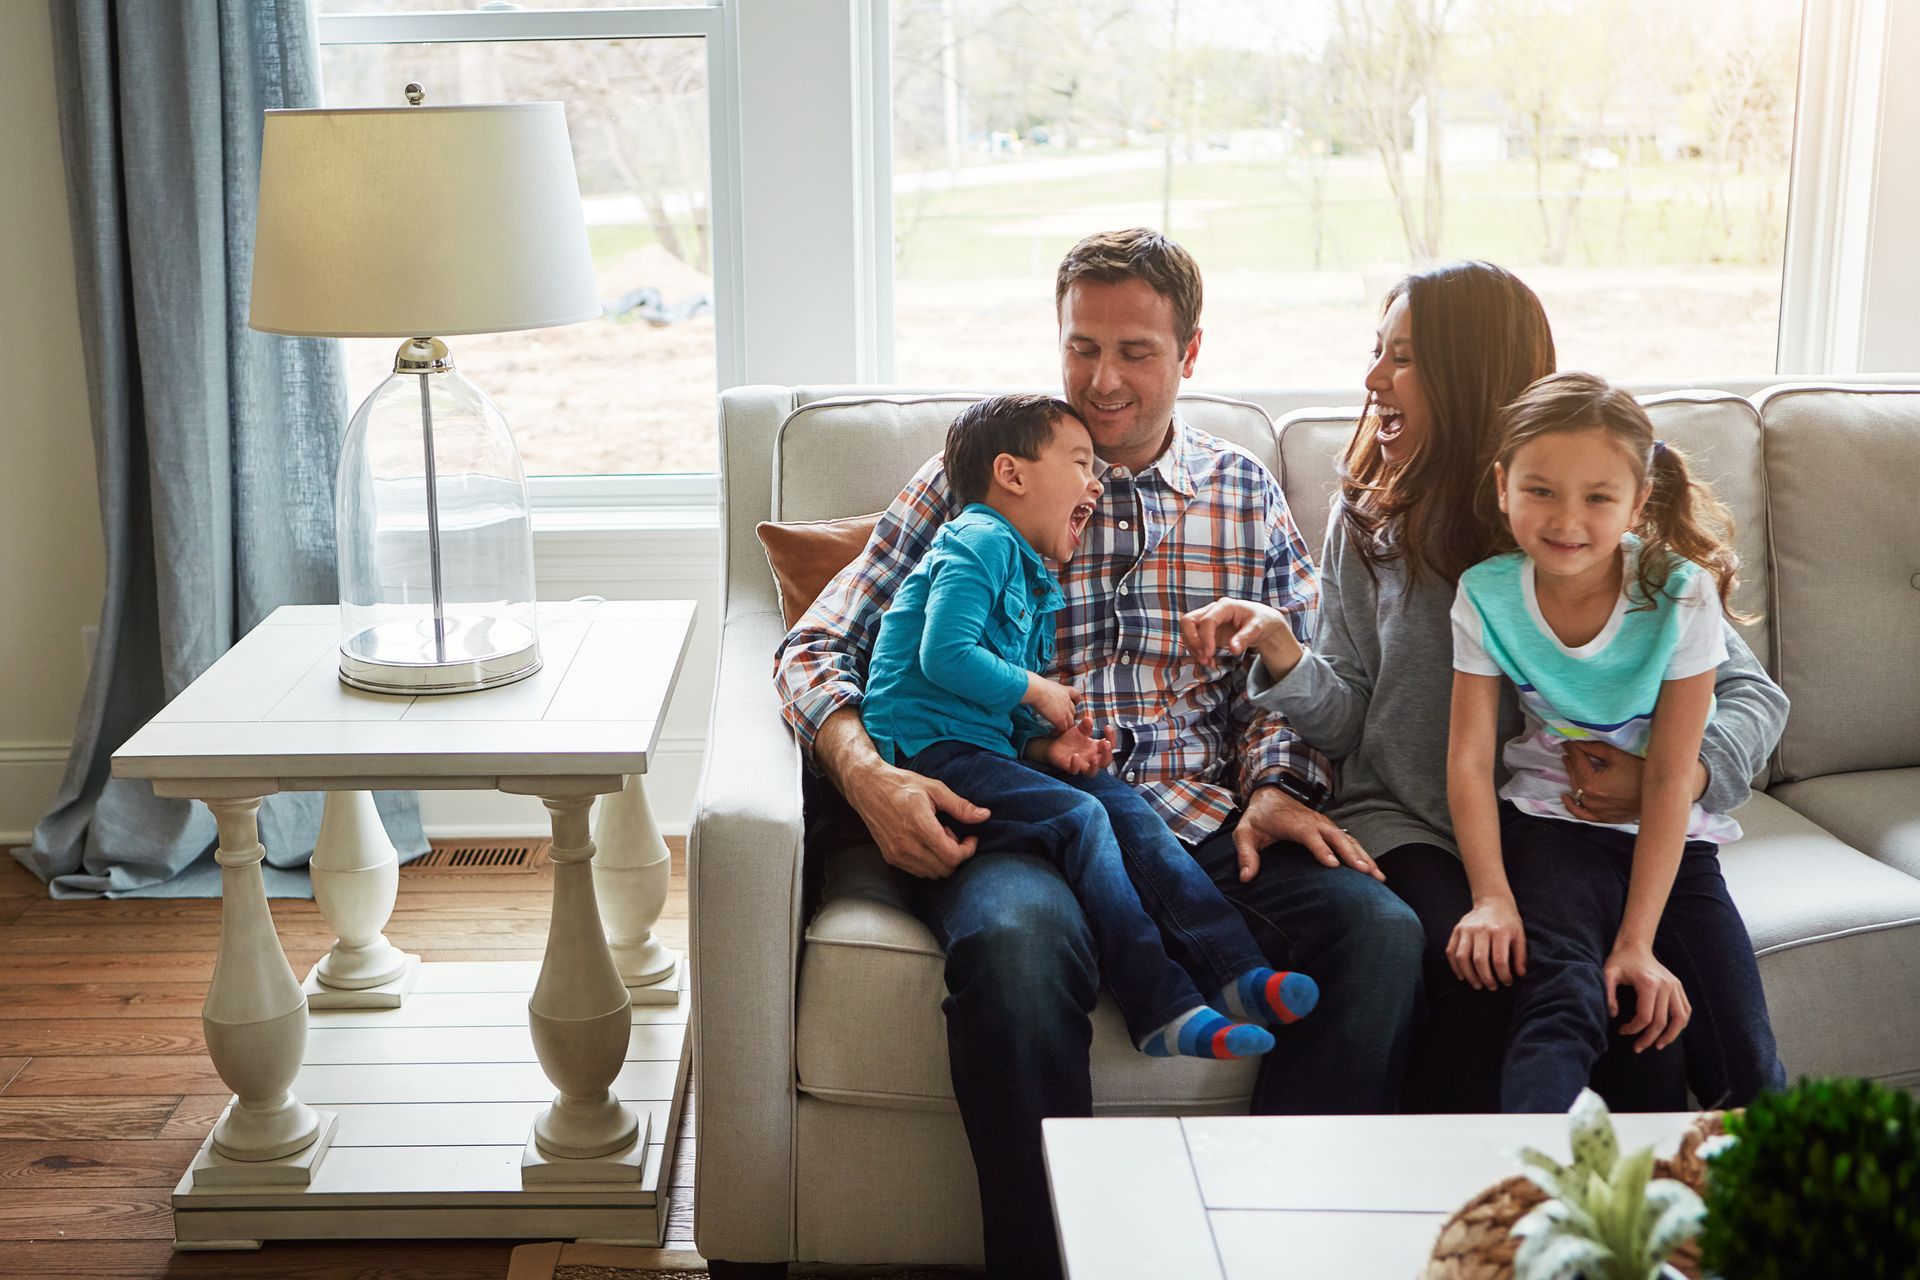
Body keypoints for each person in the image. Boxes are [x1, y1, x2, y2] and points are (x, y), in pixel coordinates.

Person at [775, 228, 1424, 1280]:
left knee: (1381, 933)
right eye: (1083, 347)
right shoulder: (982, 480)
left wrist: (1275, 786)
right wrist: (865, 769)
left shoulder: (1242, 492)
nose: (1105, 379)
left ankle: (1279, 1251)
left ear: (1192, 353)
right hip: (1016, 824)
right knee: (1016, 951)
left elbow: (1288, 676)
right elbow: (816, 643)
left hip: (1194, 818)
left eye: (1137, 351)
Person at [1179, 260, 1789, 1113]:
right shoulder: (1371, 518)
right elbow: (1351, 715)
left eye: (1402, 358)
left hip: (1561, 833)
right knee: (1482, 979)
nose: (1372, 380)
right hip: (1414, 824)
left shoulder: (1577, 520)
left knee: (1647, 1034)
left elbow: (1753, 698)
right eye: (1376, 352)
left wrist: (1665, 780)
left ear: (1469, 375)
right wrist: (1283, 655)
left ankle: (1612, 1228)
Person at [863, 392, 1320, 1063]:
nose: (1096, 480)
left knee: (1116, 801)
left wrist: (1049, 744)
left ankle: (1232, 970)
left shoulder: (1030, 571)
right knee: (1082, 818)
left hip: (974, 743)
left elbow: (984, 708)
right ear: (1012, 475)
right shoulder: (978, 537)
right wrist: (1039, 689)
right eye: (1080, 463)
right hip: (925, 753)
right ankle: (1159, 1004)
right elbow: (944, 657)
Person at [1446, 370, 1786, 1110]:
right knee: (1560, 1001)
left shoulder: (1680, 593)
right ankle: (1522, 1194)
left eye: (1598, 497)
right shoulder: (1484, 593)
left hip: (1672, 840)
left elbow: (1669, 779)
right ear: (1503, 485)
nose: (1567, 519)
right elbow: (1470, 760)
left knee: (1744, 1053)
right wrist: (1491, 897)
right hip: (1548, 828)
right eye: (1539, 490)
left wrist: (1637, 943)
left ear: (1638, 501)